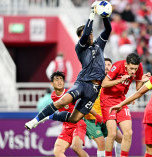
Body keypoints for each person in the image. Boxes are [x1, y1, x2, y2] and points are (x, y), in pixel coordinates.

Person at [25, 1, 112, 130]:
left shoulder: (99, 44)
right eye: (87, 34)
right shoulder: (80, 48)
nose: (91, 35)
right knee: (62, 102)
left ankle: (50, 116)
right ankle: (36, 119)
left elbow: (108, 29)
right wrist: (92, 14)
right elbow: (86, 33)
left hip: (94, 89)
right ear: (80, 37)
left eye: (92, 33)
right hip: (82, 83)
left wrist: (104, 17)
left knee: (74, 118)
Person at [100, 53, 151, 157]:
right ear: (126, 64)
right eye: (131, 68)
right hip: (107, 99)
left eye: (135, 69)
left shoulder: (139, 68)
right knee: (113, 133)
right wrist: (120, 80)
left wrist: (143, 81)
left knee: (128, 133)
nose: (133, 71)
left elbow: (138, 88)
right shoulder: (118, 66)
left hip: (121, 100)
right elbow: (104, 84)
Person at [84, 58, 123, 157]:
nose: (106, 66)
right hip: (91, 119)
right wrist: (97, 116)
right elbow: (84, 102)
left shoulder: (112, 83)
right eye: (104, 64)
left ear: (112, 68)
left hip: (105, 118)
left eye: (109, 64)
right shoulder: (92, 81)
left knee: (121, 139)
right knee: (102, 144)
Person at [49, 71, 88, 157]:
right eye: (57, 79)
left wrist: (97, 116)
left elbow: (85, 104)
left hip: (78, 124)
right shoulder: (53, 96)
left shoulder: (70, 94)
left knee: (76, 147)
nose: (59, 82)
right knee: (57, 151)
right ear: (52, 84)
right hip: (67, 126)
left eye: (61, 79)